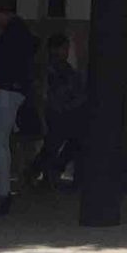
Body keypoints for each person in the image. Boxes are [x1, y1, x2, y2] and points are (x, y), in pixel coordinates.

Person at [0, 0, 38, 216]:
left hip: (7, 89)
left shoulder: (12, 34)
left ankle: (3, 195)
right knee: (2, 143)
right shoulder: (21, 32)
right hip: (15, 90)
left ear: (1, 12)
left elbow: (5, 62)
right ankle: (3, 192)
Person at [33, 34, 86, 190]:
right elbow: (56, 92)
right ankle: (44, 173)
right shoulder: (53, 68)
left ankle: (45, 173)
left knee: (58, 145)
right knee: (54, 145)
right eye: (64, 48)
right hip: (57, 111)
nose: (66, 51)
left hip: (63, 111)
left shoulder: (62, 68)